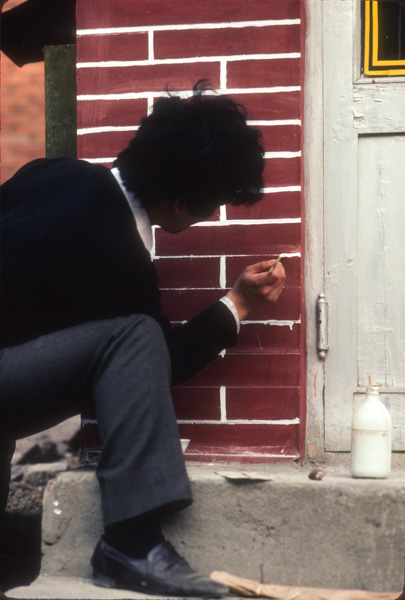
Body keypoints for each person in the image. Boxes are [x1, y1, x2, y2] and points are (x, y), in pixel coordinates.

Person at [0, 82, 285, 597]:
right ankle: (131, 542)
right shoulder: (122, 258)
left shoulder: (53, 171)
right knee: (136, 336)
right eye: (213, 205)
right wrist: (238, 304)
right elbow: (156, 361)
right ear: (179, 203)